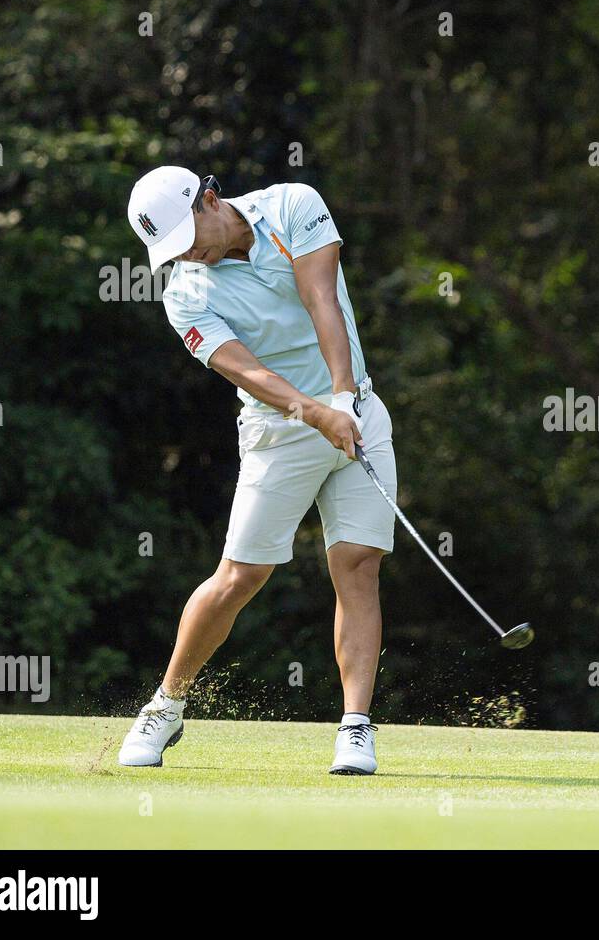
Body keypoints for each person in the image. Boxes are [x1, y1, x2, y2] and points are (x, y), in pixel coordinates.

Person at [118, 166, 397, 775]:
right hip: (279, 431)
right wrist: (320, 413)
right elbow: (247, 373)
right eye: (171, 251)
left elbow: (321, 296)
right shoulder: (183, 293)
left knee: (358, 564)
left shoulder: (294, 205)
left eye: (188, 239)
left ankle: (355, 726)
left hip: (357, 410)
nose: (187, 255)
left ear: (209, 200)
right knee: (241, 576)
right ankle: (166, 705)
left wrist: (345, 399)